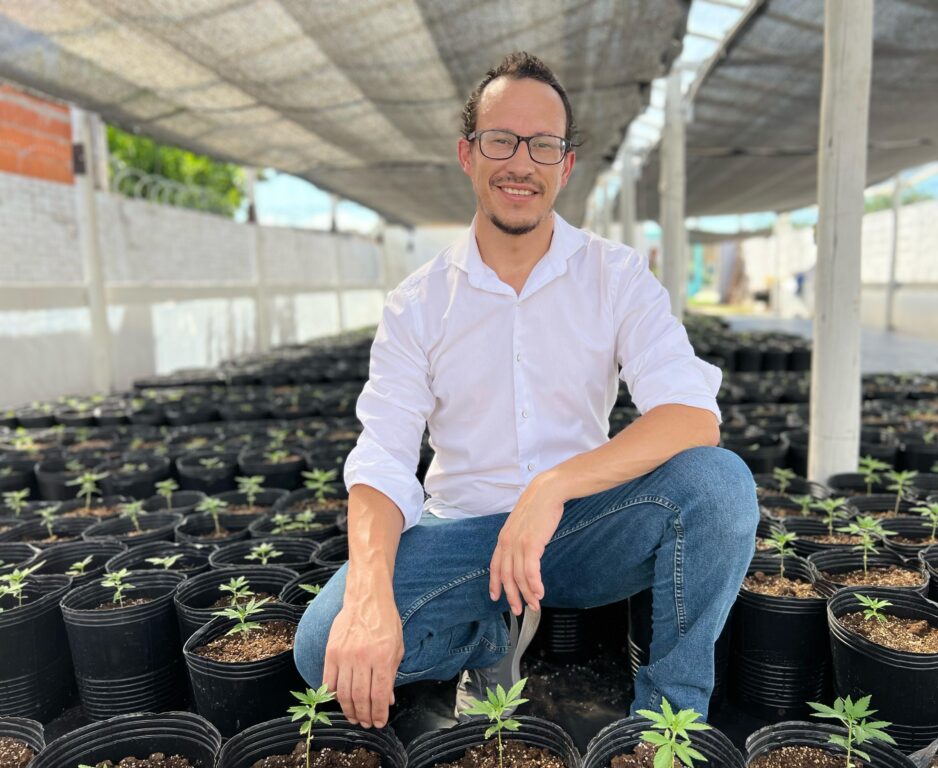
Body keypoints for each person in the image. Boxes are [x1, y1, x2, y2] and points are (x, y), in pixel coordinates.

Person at [293, 51, 758, 731]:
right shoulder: (418, 303)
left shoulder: (615, 275)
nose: (521, 162)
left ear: (565, 165)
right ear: (468, 153)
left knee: (719, 484)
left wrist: (553, 487)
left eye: (543, 144)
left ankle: (667, 724)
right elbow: (383, 459)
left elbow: (690, 415)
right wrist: (368, 596)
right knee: (322, 649)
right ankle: (488, 639)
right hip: (466, 534)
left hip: (580, 530)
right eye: (501, 140)